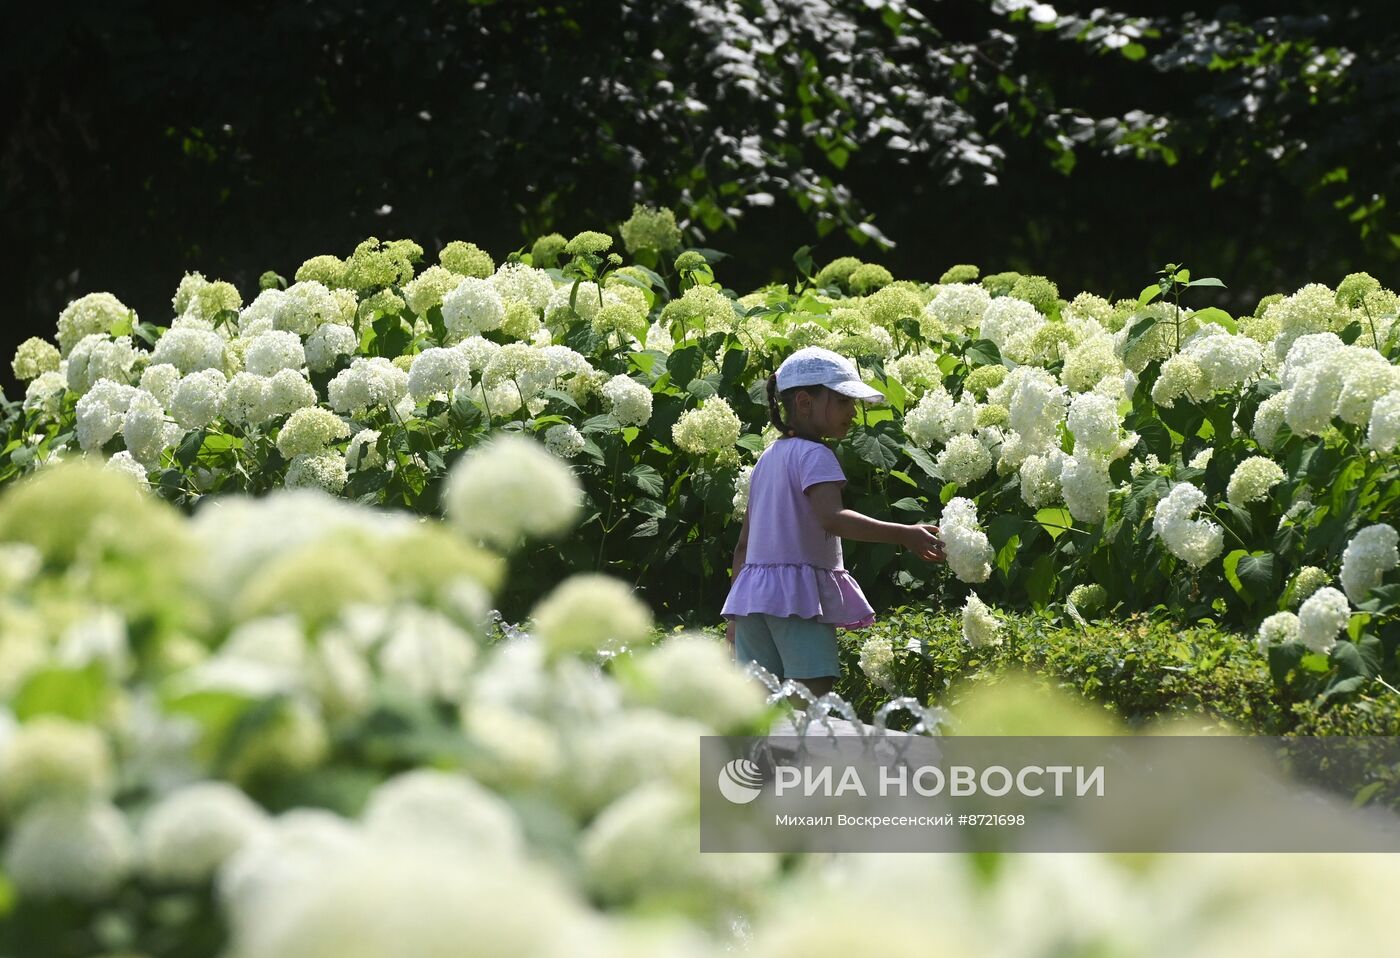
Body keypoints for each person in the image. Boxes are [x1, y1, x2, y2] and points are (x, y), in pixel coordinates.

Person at [721, 346, 945, 700]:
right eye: (843, 401)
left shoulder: (767, 459)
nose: (852, 412)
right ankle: (802, 757)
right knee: (810, 698)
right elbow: (833, 518)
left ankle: (759, 758)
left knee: (757, 706)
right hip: (796, 600)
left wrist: (734, 617)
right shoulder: (816, 455)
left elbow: (744, 545)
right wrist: (904, 535)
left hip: (752, 600)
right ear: (806, 403)